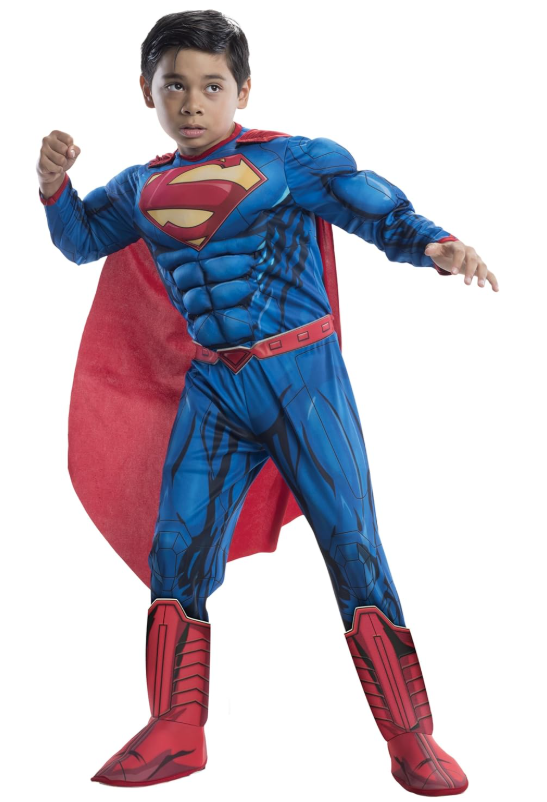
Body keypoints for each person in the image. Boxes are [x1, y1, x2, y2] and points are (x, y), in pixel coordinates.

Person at [37, 8, 498, 795]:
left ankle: (410, 737)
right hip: (213, 387)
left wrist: (435, 245)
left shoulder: (291, 161)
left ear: (242, 89)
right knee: (175, 552)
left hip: (301, 379)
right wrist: (54, 188)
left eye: (211, 86)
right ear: (146, 91)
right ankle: (175, 731)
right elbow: (81, 241)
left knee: (353, 547)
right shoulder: (141, 186)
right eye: (173, 86)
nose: (191, 102)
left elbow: (377, 211)